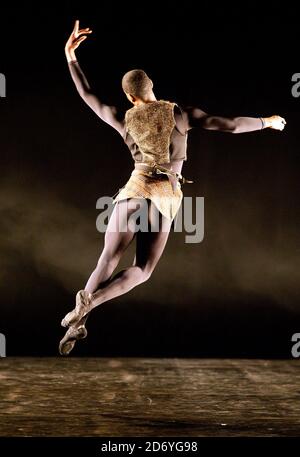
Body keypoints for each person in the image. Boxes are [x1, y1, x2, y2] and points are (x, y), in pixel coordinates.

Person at [59, 20, 286, 355]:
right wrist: (268, 121)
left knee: (107, 259)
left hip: (133, 189)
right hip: (163, 194)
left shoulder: (121, 117)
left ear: (130, 96)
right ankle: (90, 301)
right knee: (142, 269)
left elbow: (88, 95)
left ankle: (79, 319)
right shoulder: (180, 114)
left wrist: (71, 57)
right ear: (152, 88)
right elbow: (232, 125)